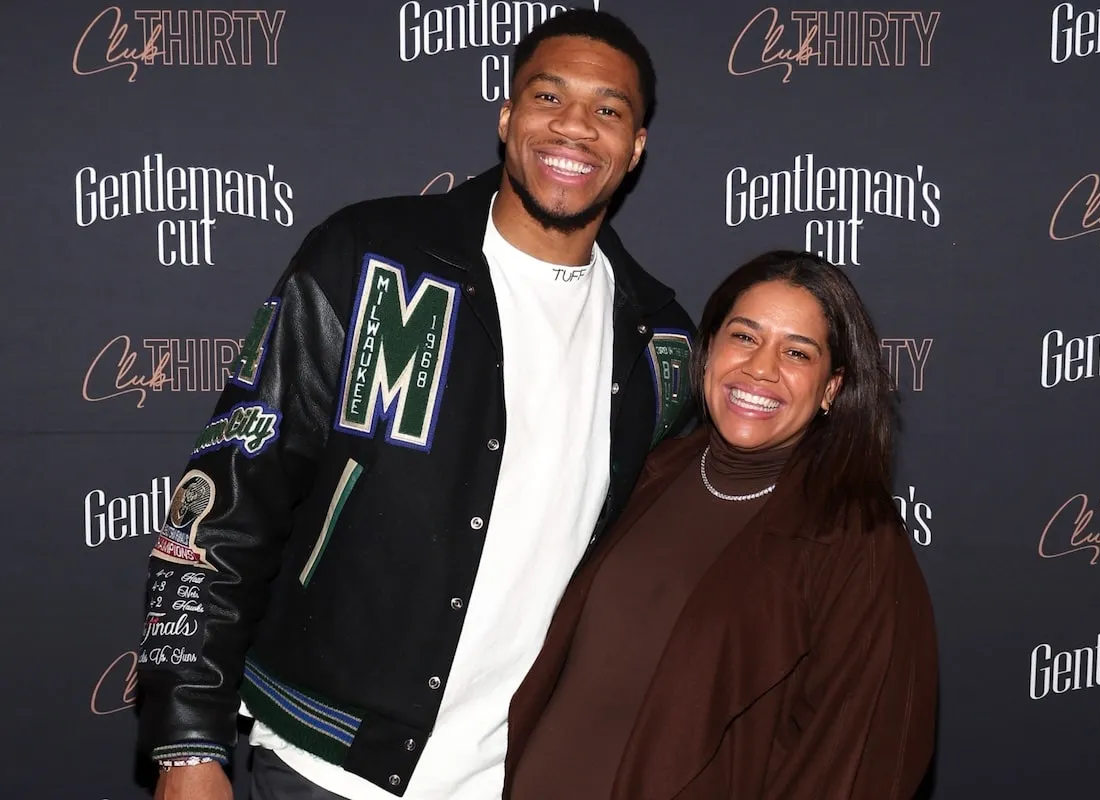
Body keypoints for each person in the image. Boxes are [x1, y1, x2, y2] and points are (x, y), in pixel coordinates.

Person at [137, 10, 697, 800]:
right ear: (507, 117)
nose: (575, 126)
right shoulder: (371, 258)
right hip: (323, 766)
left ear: (635, 148)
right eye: (548, 96)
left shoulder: (660, 342)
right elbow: (227, 498)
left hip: (528, 776)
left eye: (609, 110)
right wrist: (186, 743)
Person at [504, 250, 939, 800]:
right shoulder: (651, 471)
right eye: (744, 337)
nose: (760, 367)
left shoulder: (855, 542)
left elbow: (861, 760)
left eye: (797, 352)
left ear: (832, 387)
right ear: (709, 351)